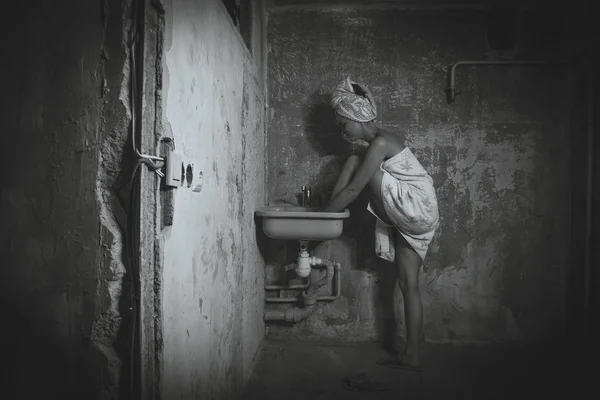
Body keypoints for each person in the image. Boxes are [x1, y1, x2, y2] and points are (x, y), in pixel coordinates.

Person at [322, 77, 439, 371]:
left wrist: (320, 220)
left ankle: (324, 214)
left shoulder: (381, 142)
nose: (342, 130)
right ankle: (412, 352)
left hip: (414, 203)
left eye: (343, 123)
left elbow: (352, 191)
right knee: (407, 283)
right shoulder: (383, 139)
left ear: (355, 117)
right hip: (422, 210)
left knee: (353, 166)